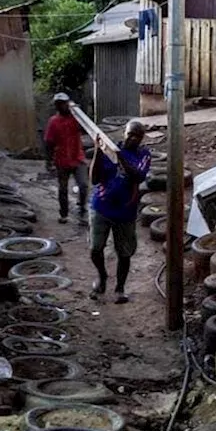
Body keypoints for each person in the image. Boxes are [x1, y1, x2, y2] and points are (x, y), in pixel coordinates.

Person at [88, 119, 151, 304]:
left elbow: (138, 176)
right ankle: (102, 277)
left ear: (142, 138)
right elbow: (94, 179)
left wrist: (119, 156)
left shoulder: (143, 154)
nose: (132, 138)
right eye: (130, 133)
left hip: (125, 212)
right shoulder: (109, 149)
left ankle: (120, 288)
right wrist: (99, 151)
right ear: (124, 132)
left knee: (124, 253)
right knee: (95, 248)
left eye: (137, 136)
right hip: (101, 207)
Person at [43, 92, 88, 225]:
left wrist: (79, 112)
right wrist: (49, 161)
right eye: (60, 104)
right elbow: (49, 143)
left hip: (78, 158)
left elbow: (86, 127)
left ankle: (82, 210)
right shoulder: (53, 122)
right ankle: (64, 214)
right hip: (62, 160)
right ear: (57, 106)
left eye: (65, 103)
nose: (63, 106)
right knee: (63, 189)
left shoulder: (76, 118)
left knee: (83, 185)